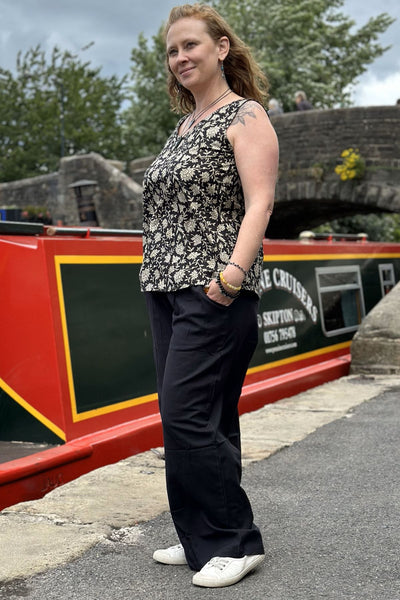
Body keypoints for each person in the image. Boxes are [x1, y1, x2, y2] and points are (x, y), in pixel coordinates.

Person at [139, 3, 279, 589]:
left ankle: (236, 540)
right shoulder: (184, 126)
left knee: (187, 413)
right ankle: (200, 533)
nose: (180, 58)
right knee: (204, 417)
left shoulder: (245, 116)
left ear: (221, 48)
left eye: (190, 45)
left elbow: (260, 203)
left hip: (214, 290)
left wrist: (230, 279)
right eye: (172, 52)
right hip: (167, 290)